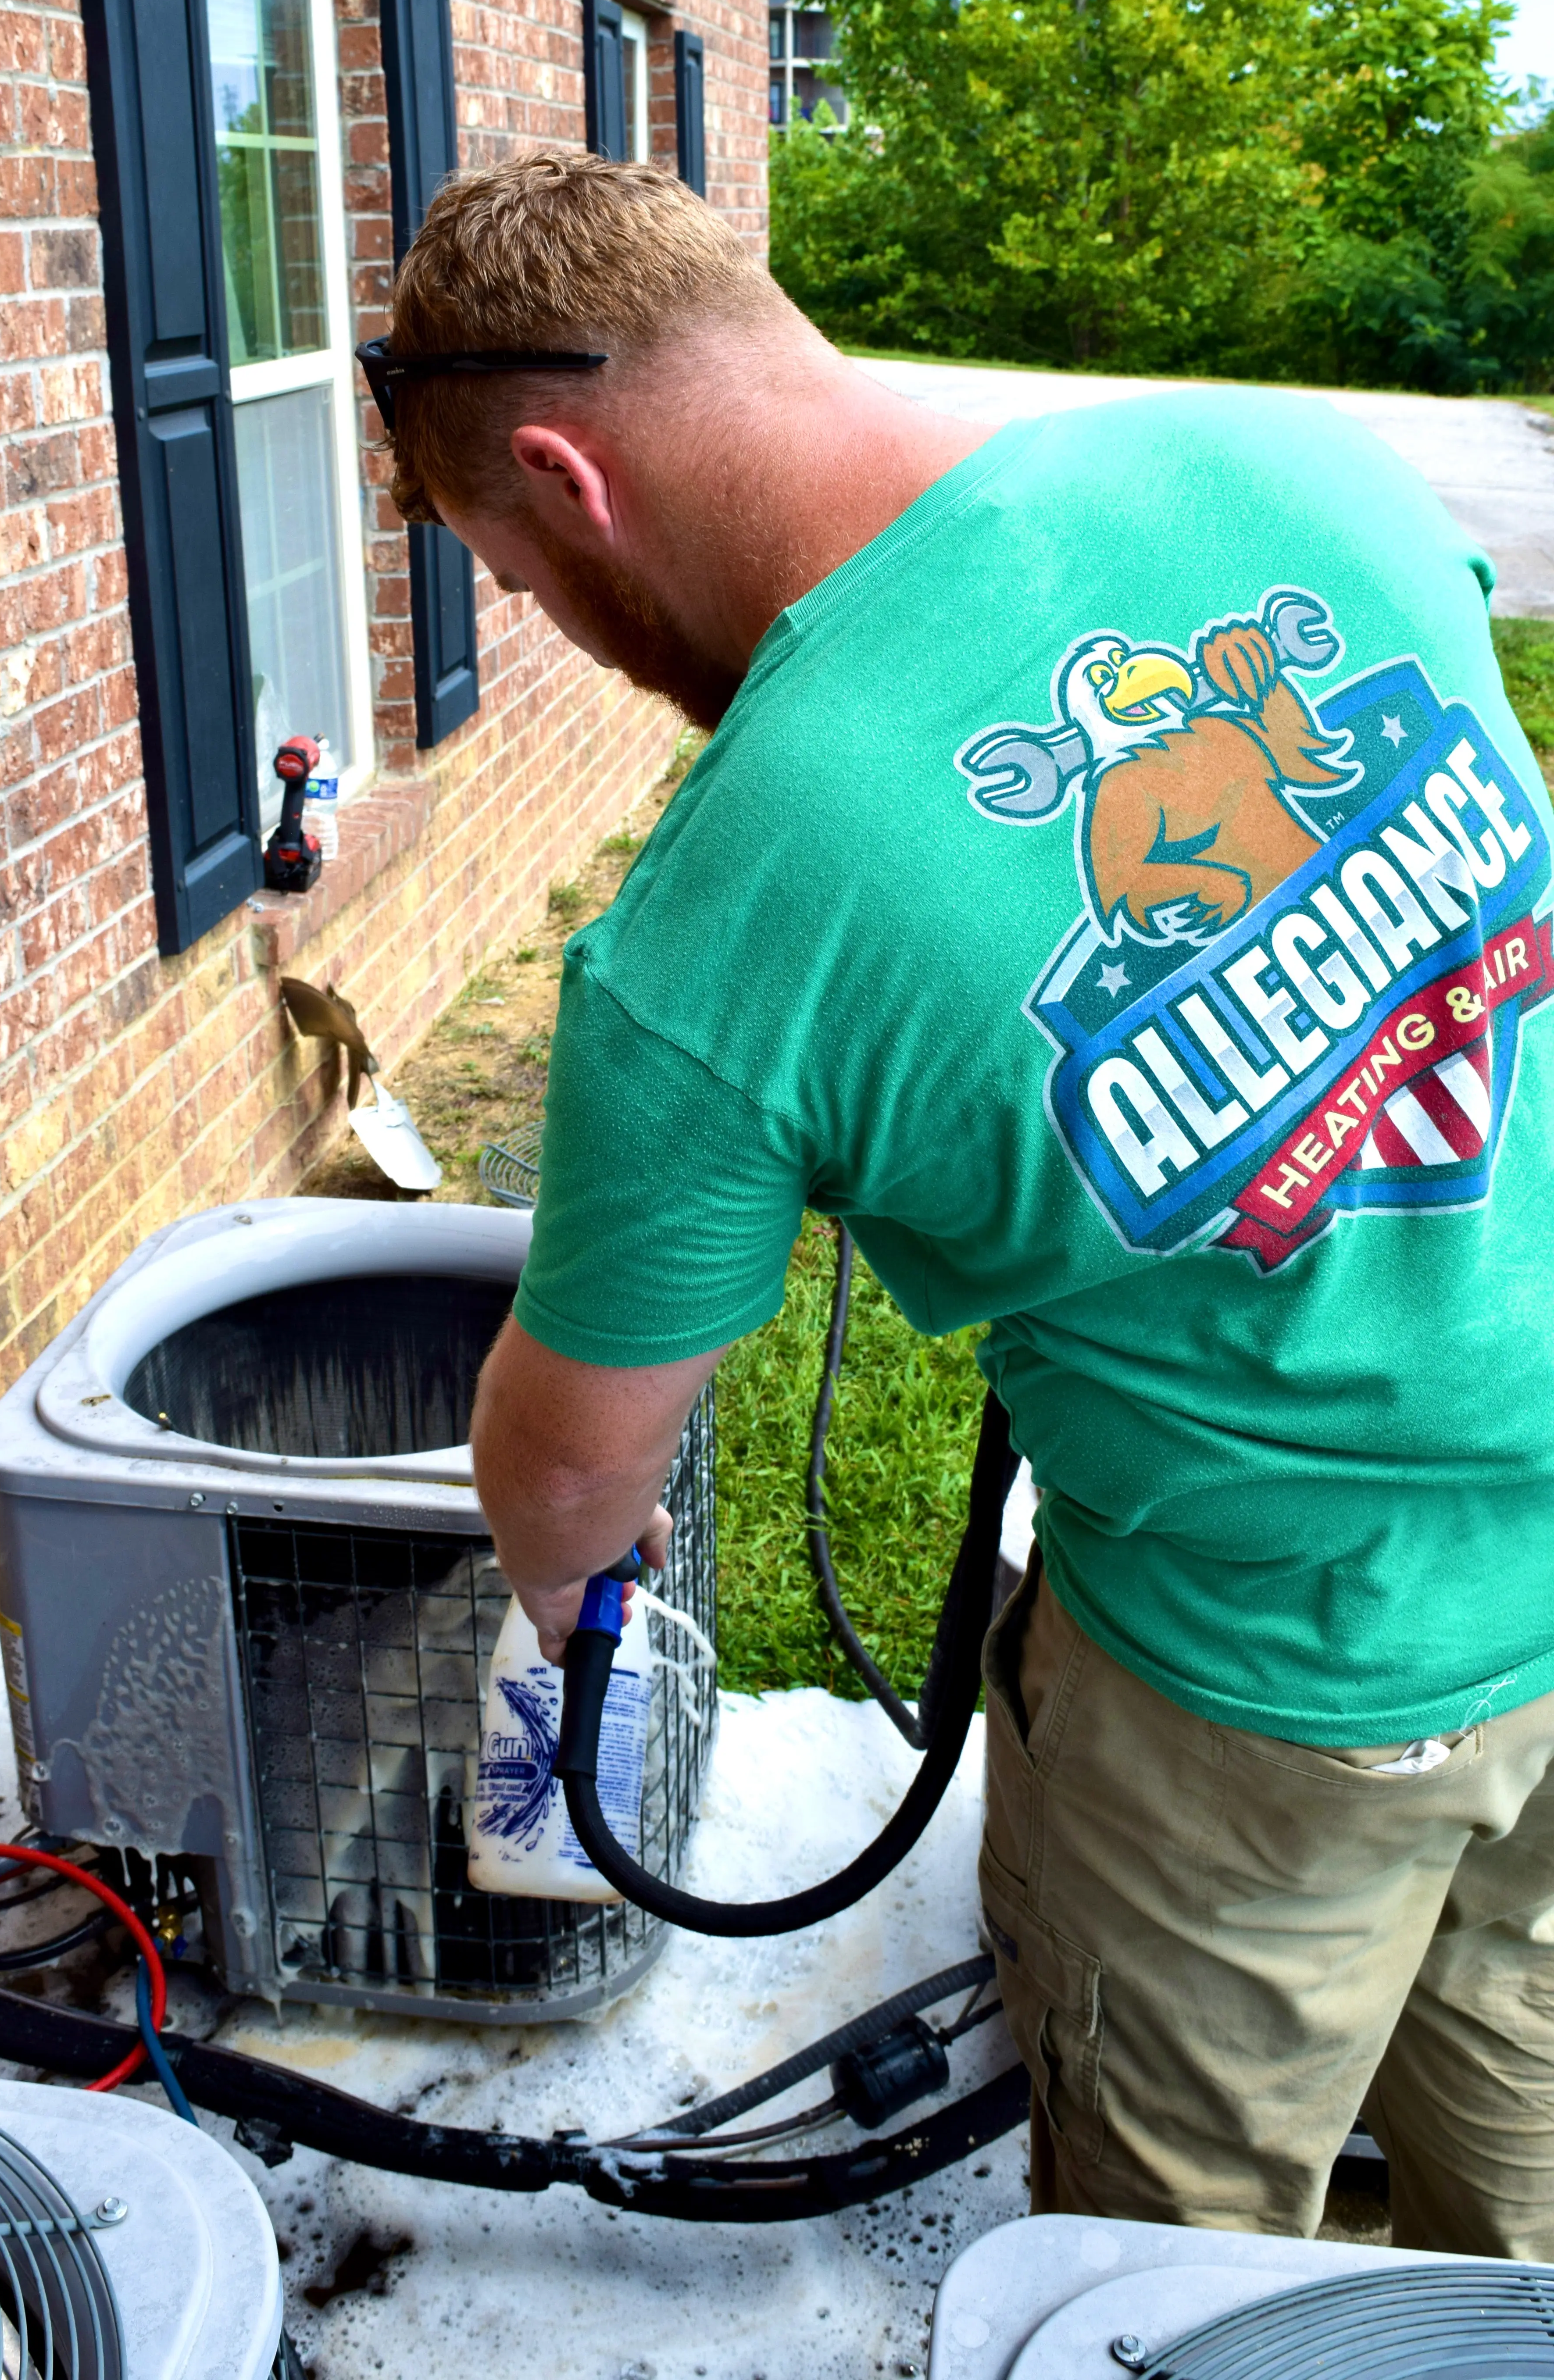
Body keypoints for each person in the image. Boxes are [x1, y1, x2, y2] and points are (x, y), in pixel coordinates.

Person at [379, 148, 1554, 2256]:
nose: (562, 631)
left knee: (1169, 2267)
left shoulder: (725, 923)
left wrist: (571, 1600)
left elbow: (571, 1464)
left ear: (565, 479)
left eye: (516, 579)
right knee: (1527, 2113)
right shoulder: (1290, 466)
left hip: (1262, 1684)